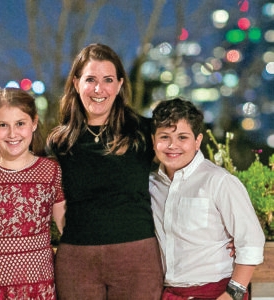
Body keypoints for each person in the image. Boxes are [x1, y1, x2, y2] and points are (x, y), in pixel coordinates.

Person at [46, 43, 163, 299]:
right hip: (77, 260)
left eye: (108, 80)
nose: (99, 89)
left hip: (137, 257)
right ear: (76, 83)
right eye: (91, 80)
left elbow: (183, 177)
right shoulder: (59, 142)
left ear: (120, 85)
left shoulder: (144, 132)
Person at [149, 98, 265, 300]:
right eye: (164, 137)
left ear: (198, 141)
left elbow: (251, 241)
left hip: (217, 291)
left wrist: (233, 294)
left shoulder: (219, 181)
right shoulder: (150, 185)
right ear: (153, 141)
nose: (172, 145)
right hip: (169, 293)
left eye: (182, 137)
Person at [0, 87, 66, 299]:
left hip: (39, 289)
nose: (12, 134)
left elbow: (68, 229)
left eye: (20, 123)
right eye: (3, 125)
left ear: (34, 123)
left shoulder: (51, 171)